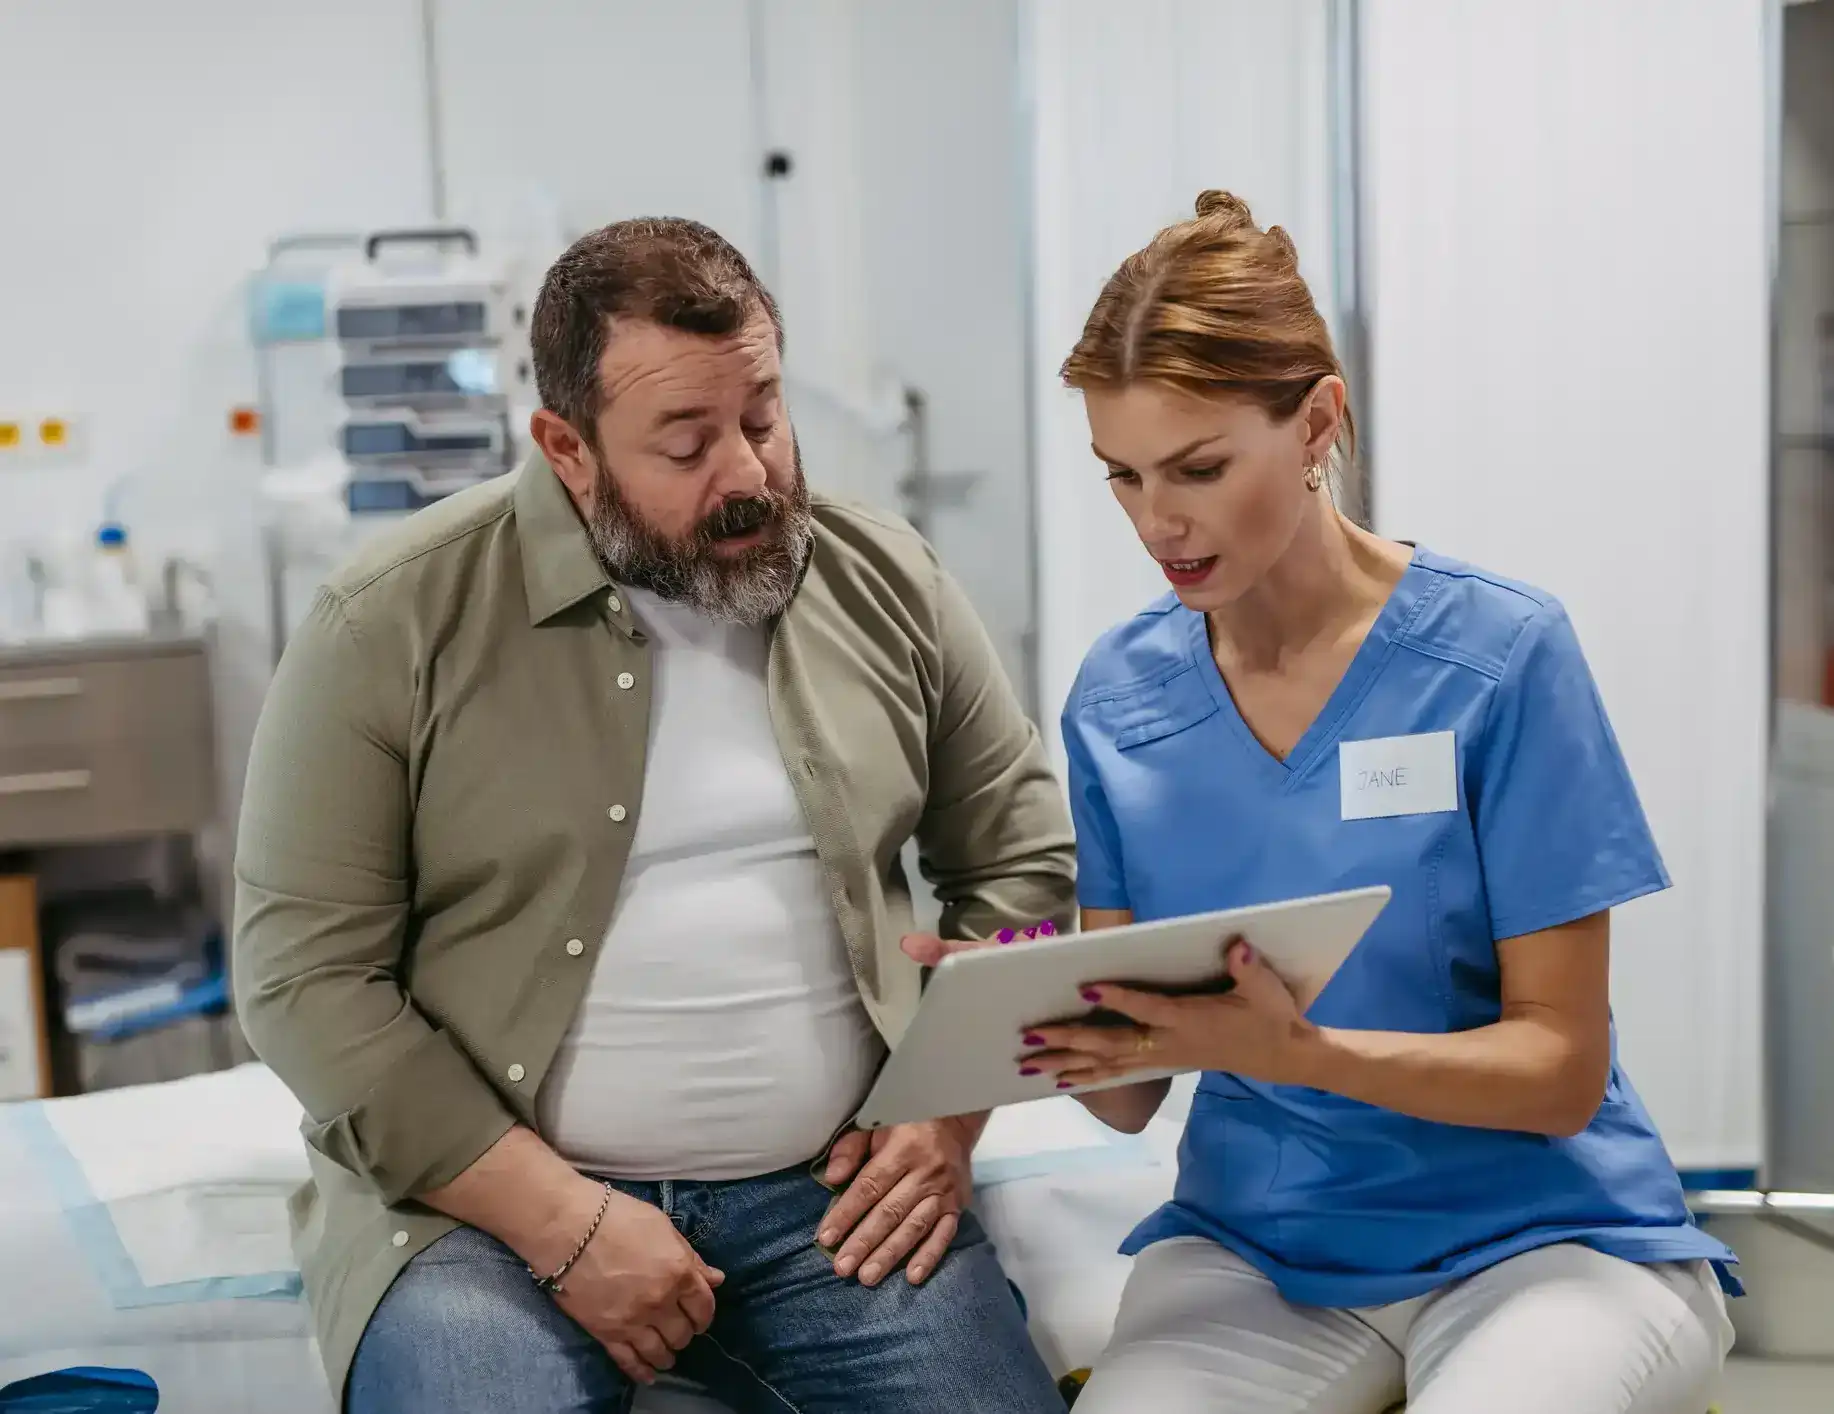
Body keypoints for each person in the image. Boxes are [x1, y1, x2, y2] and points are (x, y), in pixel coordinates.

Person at [910, 190, 1738, 1414]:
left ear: (1316, 423)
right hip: (1259, 1249)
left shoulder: (1498, 657)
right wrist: (1014, 1007)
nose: (1157, 521)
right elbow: (1133, 1092)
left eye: (1198, 468)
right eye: (1122, 476)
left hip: (1546, 1240)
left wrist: (1299, 1055)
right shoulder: (1121, 697)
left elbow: (1560, 1068)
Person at [234, 216, 1075, 1414]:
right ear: (566, 448)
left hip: (834, 1209)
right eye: (685, 443)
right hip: (486, 1219)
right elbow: (299, 980)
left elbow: (1025, 870)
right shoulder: (388, 624)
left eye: (764, 417)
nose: (747, 473)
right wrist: (563, 1219)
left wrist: (948, 1110)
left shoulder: (886, 580)